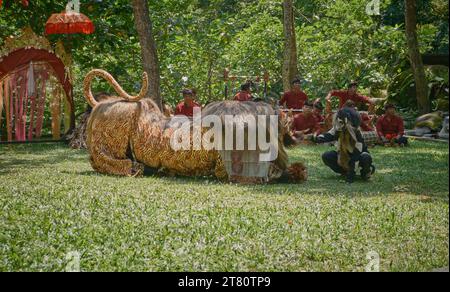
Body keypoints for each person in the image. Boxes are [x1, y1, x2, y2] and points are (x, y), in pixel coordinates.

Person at [315, 107, 376, 183]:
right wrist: (318, 138)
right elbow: (328, 135)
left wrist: (351, 175)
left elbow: (356, 156)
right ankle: (344, 172)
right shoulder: (339, 128)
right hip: (343, 156)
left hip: (357, 157)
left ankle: (365, 173)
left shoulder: (357, 133)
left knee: (365, 157)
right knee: (327, 156)